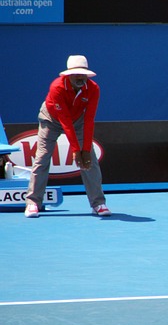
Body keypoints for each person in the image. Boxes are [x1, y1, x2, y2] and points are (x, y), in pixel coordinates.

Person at [24, 55, 110, 218]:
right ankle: (33, 202)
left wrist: (85, 150)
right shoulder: (57, 87)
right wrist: (77, 150)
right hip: (51, 119)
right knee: (42, 158)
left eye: (82, 74)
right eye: (76, 74)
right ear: (68, 75)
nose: (80, 77)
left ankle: (98, 203)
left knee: (89, 159)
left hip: (78, 121)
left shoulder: (93, 89)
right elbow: (65, 121)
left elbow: (89, 119)